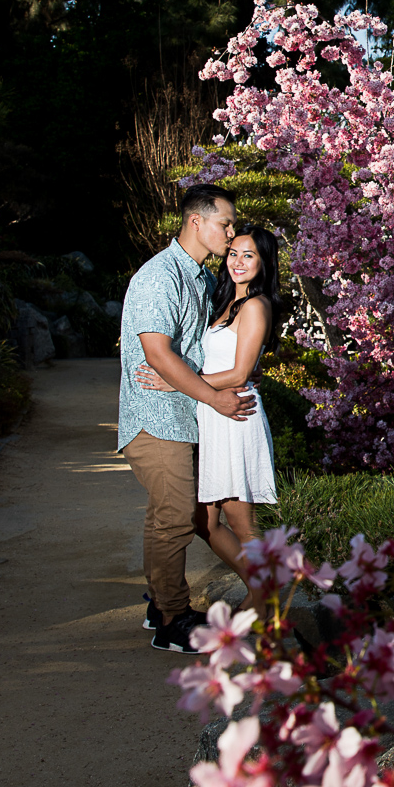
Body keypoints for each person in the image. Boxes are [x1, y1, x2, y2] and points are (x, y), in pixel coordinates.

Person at [117, 183, 255, 654]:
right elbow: (157, 354)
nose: (231, 232)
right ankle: (172, 621)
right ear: (197, 221)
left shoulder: (198, 275)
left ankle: (163, 605)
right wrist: (213, 398)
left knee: (169, 517)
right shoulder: (160, 276)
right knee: (176, 518)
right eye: (226, 223)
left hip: (182, 413)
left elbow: (188, 353)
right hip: (156, 418)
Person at [136, 223, 282, 607]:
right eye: (233, 253)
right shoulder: (224, 302)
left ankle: (264, 598)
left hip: (235, 416)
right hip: (213, 415)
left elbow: (238, 373)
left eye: (248, 255)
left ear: (264, 263)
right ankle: (261, 588)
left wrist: (178, 381)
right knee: (203, 520)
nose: (237, 261)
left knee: (241, 522)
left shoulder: (254, 305)